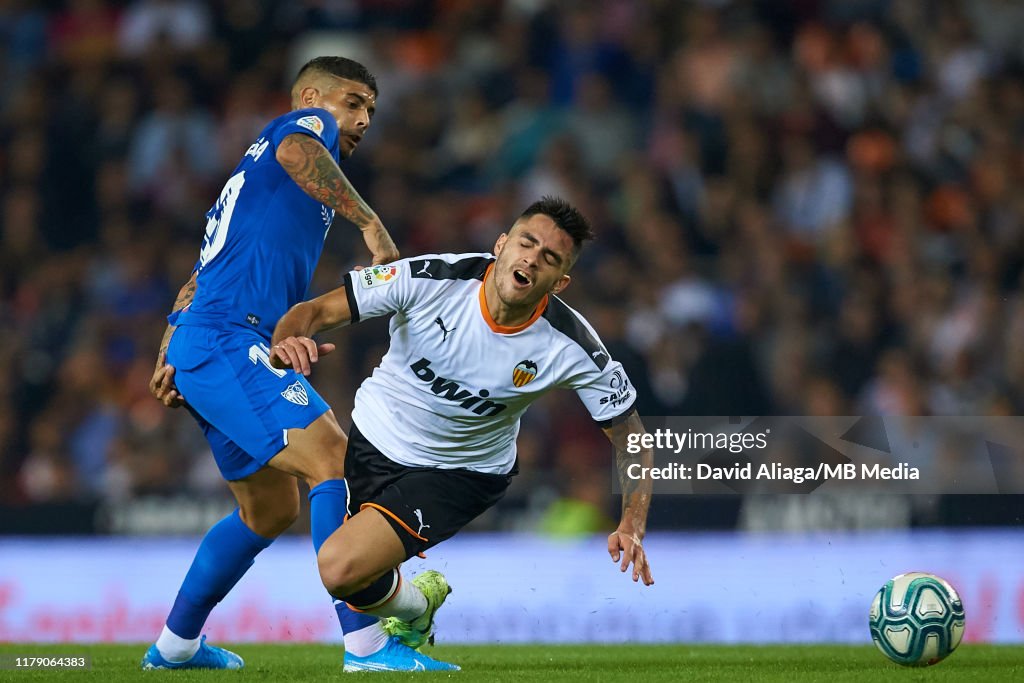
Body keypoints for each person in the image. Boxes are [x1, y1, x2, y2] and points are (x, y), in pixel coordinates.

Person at [268, 196, 655, 672]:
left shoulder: (571, 344)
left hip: (459, 473)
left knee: (337, 568)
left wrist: (631, 522)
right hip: (372, 439)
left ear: (561, 282)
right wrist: (290, 339)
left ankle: (392, 628)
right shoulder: (428, 278)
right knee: (352, 580)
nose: (532, 258)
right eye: (526, 243)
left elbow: (631, 437)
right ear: (501, 245)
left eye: (550, 258)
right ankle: (417, 607)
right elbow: (310, 312)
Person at [142, 56, 406, 671]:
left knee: (270, 509)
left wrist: (169, 347)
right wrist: (369, 222)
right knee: (332, 458)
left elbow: (206, 268)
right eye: (353, 102)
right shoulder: (301, 131)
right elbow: (296, 148)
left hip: (206, 340)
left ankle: (175, 648)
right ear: (313, 97)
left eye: (370, 109)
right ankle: (367, 649)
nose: (362, 118)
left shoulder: (255, 178)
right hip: (230, 339)